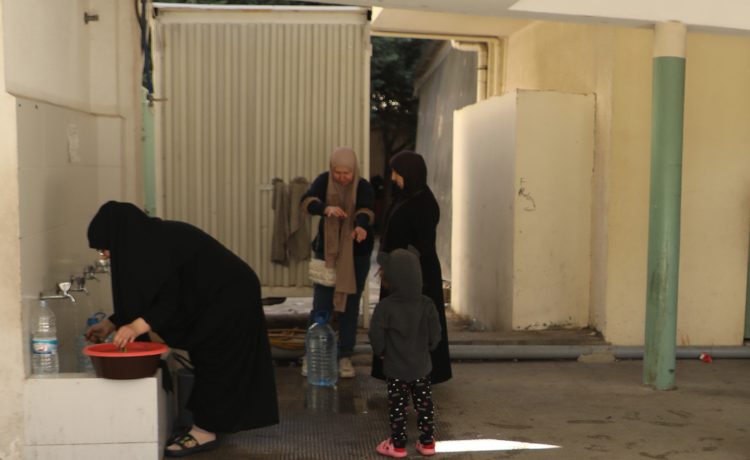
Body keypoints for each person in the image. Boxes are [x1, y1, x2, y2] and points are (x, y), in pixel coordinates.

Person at [85, 201, 279, 457]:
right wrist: (110, 323)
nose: (105, 256)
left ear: (119, 237)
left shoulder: (155, 248)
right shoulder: (148, 241)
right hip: (219, 296)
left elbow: (168, 302)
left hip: (230, 296)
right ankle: (208, 424)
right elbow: (149, 296)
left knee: (216, 360)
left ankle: (204, 433)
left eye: (104, 249)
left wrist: (134, 327)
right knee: (210, 359)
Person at [371, 150, 452, 385]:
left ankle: (426, 375)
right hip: (397, 274)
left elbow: (422, 245)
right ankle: (396, 372)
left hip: (417, 278)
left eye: (398, 173)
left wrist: (396, 265)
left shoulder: (426, 204)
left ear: (410, 174)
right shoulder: (405, 196)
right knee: (396, 322)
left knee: (418, 324)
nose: (394, 177)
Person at [300, 147, 375, 379]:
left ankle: (345, 356)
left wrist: (360, 225)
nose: (342, 177)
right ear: (332, 169)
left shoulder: (363, 186)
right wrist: (326, 208)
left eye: (347, 173)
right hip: (327, 254)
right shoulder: (324, 181)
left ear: (355, 171)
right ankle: (312, 355)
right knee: (321, 305)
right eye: (338, 172)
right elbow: (307, 202)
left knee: (350, 306)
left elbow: (367, 210)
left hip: (356, 255)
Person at [369, 246, 441, 458]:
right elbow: (435, 335)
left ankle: (398, 446)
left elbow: (376, 336)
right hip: (421, 367)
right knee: (424, 405)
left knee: (397, 409)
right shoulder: (427, 304)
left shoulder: (385, 307)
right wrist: (427, 349)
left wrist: (382, 353)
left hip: (396, 368)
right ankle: (427, 443)